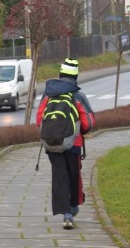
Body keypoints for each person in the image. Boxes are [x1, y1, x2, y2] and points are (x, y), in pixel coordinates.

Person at [36, 57, 96, 230]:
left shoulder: (48, 95)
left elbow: (40, 119)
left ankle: (66, 215)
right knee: (73, 176)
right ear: (75, 76)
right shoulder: (77, 95)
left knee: (60, 177)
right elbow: (89, 122)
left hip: (52, 143)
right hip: (73, 144)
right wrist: (79, 132)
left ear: (60, 74)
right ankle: (73, 207)